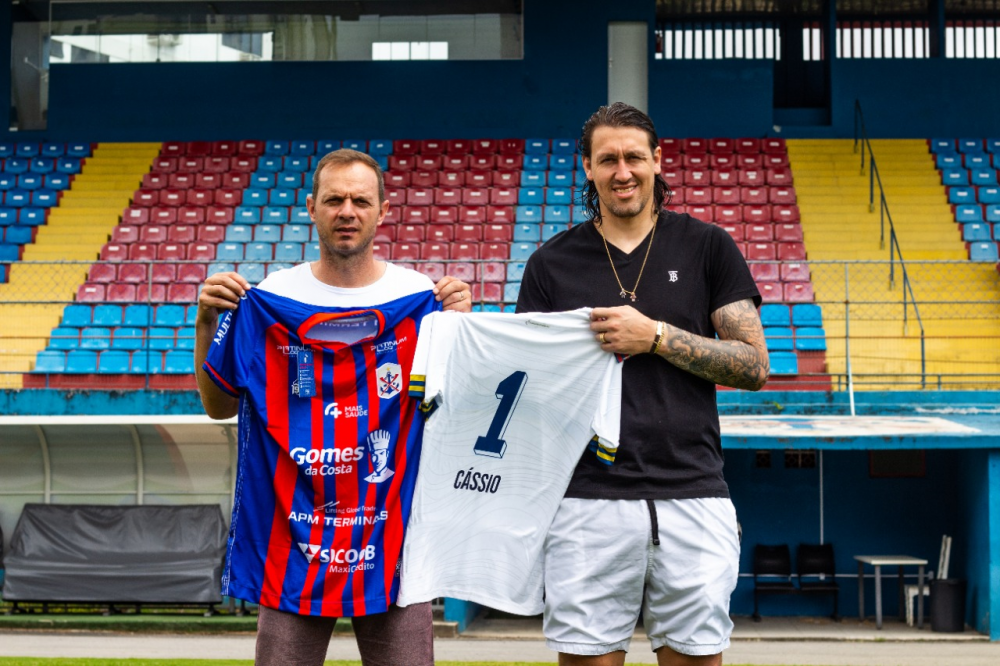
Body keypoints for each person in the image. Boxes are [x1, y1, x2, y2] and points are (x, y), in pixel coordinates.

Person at [516, 103, 770, 666]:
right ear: (587, 168)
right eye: (607, 159)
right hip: (587, 500)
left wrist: (654, 336)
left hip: (694, 492)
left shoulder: (708, 246)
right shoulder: (550, 264)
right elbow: (529, 387)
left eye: (634, 156)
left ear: (658, 160)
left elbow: (753, 366)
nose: (622, 171)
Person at [194, 148, 471, 666]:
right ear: (311, 207)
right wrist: (207, 323)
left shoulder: (422, 297)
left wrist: (462, 326)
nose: (348, 211)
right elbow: (217, 406)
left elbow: (457, 409)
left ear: (383, 210)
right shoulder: (270, 296)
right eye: (335, 199)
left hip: (395, 540)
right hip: (293, 536)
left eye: (360, 200)